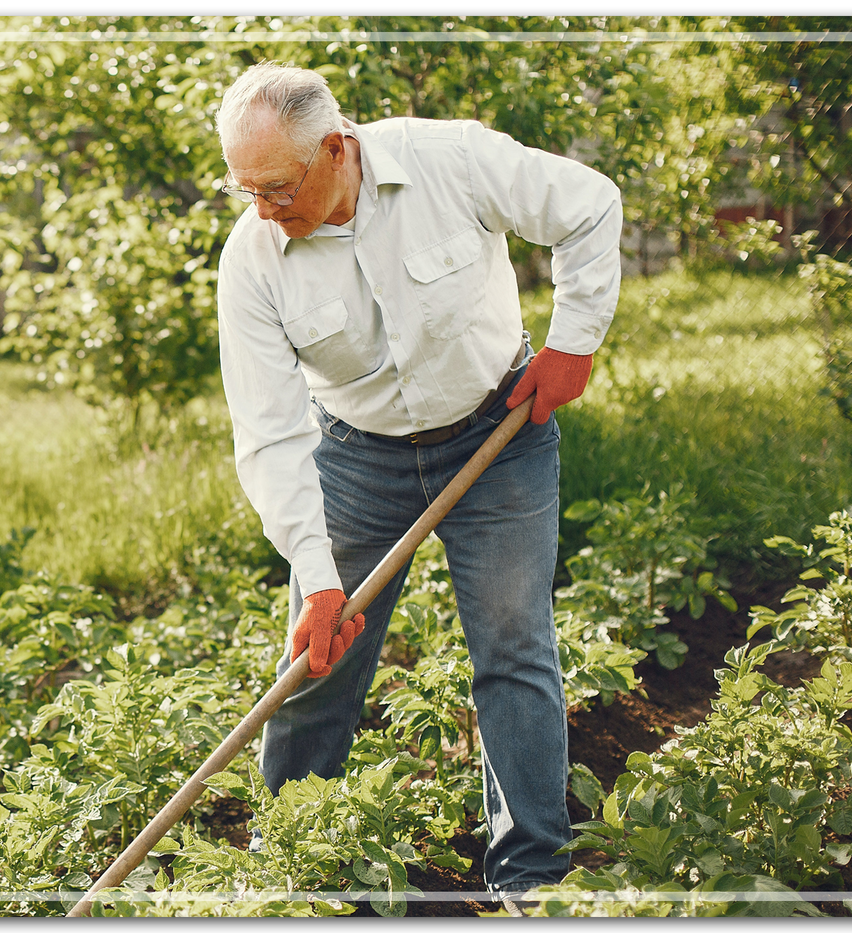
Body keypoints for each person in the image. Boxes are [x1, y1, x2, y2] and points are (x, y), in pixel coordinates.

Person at [211, 63, 621, 902]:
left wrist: (573, 342)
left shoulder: (450, 161)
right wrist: (319, 577)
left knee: (513, 649)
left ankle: (530, 877)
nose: (264, 209)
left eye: (279, 187)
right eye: (245, 189)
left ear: (337, 148)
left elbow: (589, 205)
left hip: (498, 434)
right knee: (317, 661)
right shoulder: (252, 259)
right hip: (355, 458)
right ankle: (294, 867)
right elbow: (270, 433)